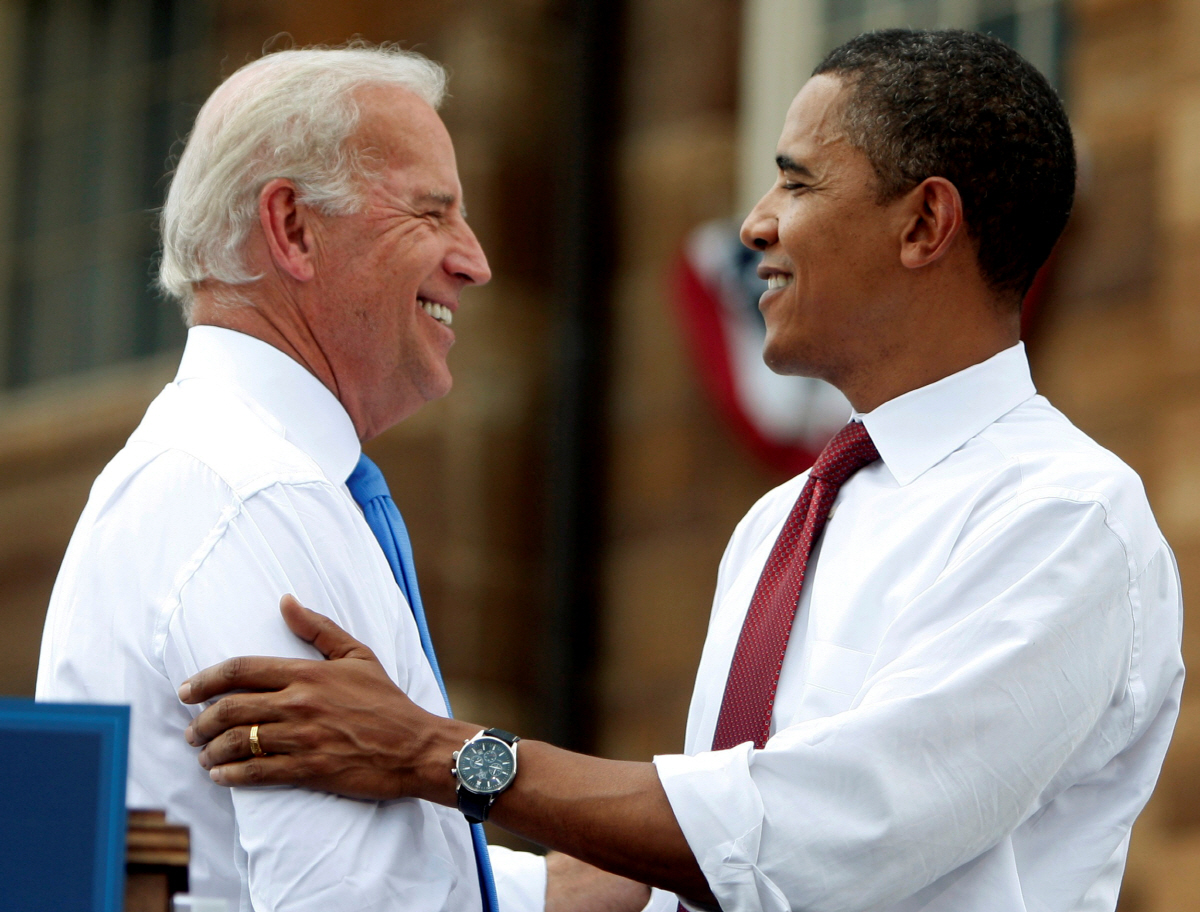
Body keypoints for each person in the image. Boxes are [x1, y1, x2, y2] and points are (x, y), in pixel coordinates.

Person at [177, 30, 1184, 912]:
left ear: (924, 224)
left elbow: (819, 839)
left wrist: (436, 756)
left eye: (796, 180)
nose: (755, 224)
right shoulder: (781, 523)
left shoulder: (1064, 517)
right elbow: (703, 871)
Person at [35, 44, 558, 912]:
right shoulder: (256, 495)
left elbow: (282, 868)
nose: (474, 260)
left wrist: (649, 879)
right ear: (294, 230)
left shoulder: (220, 474)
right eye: (432, 213)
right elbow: (354, 898)